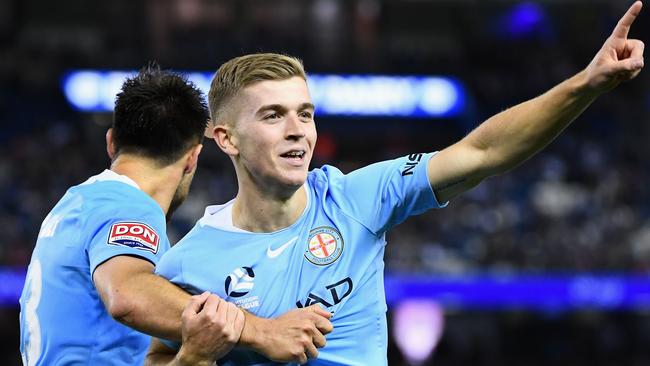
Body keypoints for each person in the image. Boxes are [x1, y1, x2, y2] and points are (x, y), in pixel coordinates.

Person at [147, 1, 645, 365]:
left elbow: (483, 151)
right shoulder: (187, 261)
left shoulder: (358, 196)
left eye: (305, 113)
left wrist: (586, 84)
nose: (298, 129)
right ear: (225, 138)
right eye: (273, 116)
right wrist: (194, 357)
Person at [19, 65, 332, 366]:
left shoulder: (77, 202)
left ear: (111, 141)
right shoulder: (127, 205)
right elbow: (126, 295)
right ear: (193, 157)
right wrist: (261, 332)